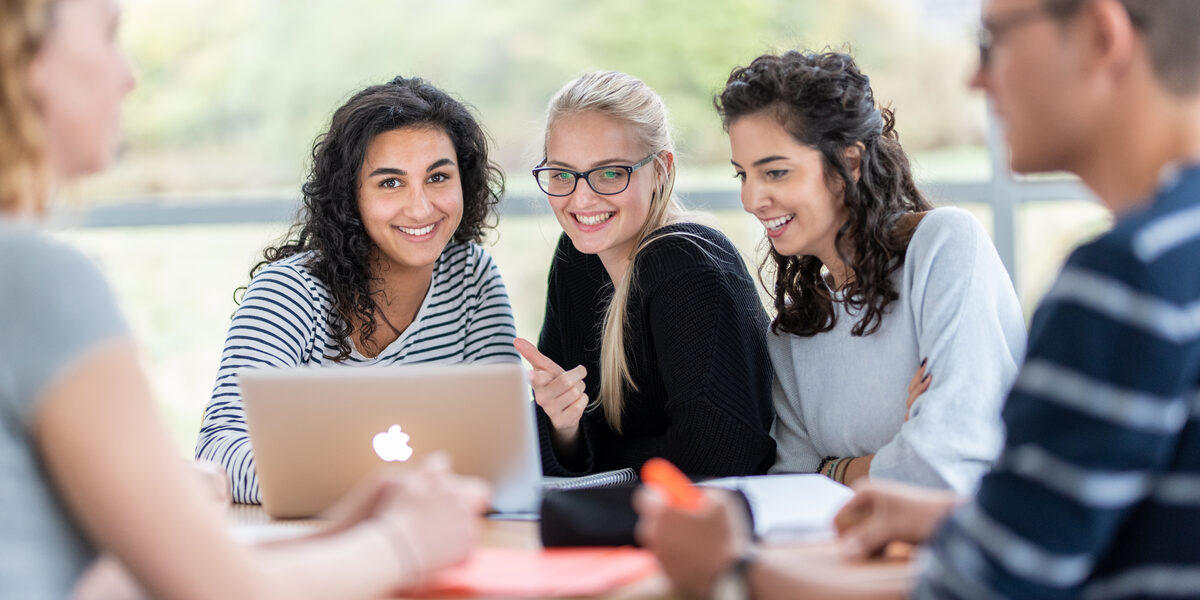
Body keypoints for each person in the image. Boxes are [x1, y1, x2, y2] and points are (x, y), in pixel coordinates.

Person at [636, 0, 1200, 598]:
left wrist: (734, 567)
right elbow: (1068, 532)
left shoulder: (1122, 277)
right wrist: (916, 491)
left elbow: (977, 552)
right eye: (741, 174)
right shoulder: (1163, 260)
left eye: (995, 40)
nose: (974, 78)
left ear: (1098, 35)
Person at [0, 0, 487, 598]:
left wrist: (349, 528)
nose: (128, 76)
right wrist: (404, 542)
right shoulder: (37, 278)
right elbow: (224, 590)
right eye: (107, 34)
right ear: (25, 58)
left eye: (439, 176)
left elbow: (117, 579)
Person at [195, 76, 521, 504]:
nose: (421, 207)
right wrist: (378, 493)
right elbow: (219, 452)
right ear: (350, 196)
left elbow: (504, 448)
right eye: (390, 182)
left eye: (438, 177)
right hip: (315, 550)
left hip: (443, 540)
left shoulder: (472, 277)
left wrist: (560, 425)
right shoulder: (288, 293)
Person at [719, 50, 1025, 492]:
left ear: (850, 163)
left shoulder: (945, 246)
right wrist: (901, 448)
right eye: (742, 175)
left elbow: (945, 465)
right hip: (846, 553)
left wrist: (835, 469)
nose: (751, 200)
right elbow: (791, 491)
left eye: (776, 172)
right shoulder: (794, 332)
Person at [513, 71, 776, 477]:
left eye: (610, 173)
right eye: (563, 174)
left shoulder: (685, 263)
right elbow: (563, 442)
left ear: (660, 170)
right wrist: (563, 426)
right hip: (641, 514)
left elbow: (720, 457)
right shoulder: (578, 257)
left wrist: (597, 452)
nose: (581, 199)